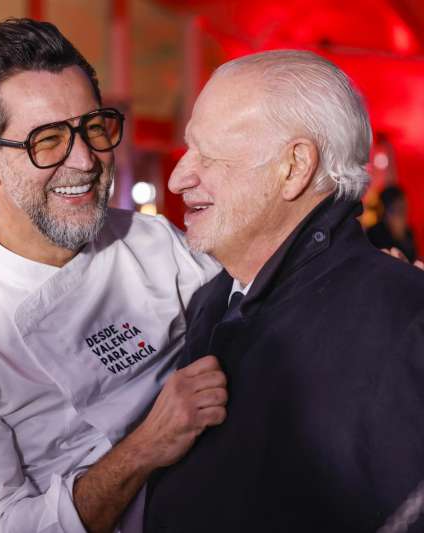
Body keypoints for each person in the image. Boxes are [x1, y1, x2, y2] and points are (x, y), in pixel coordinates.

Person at [0, 19, 228, 533]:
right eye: (47, 141)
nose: (86, 159)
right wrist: (144, 448)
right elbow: (3, 527)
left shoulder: (152, 241)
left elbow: (252, 310)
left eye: (94, 128)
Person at [144, 50, 424, 532]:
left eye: (209, 155)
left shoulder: (406, 319)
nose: (178, 177)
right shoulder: (213, 301)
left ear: (294, 167)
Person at [367, 184, 419, 262]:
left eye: (404, 209)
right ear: (385, 212)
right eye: (398, 210)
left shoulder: (408, 232)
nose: (403, 216)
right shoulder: (374, 233)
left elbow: (412, 260)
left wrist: (401, 238)